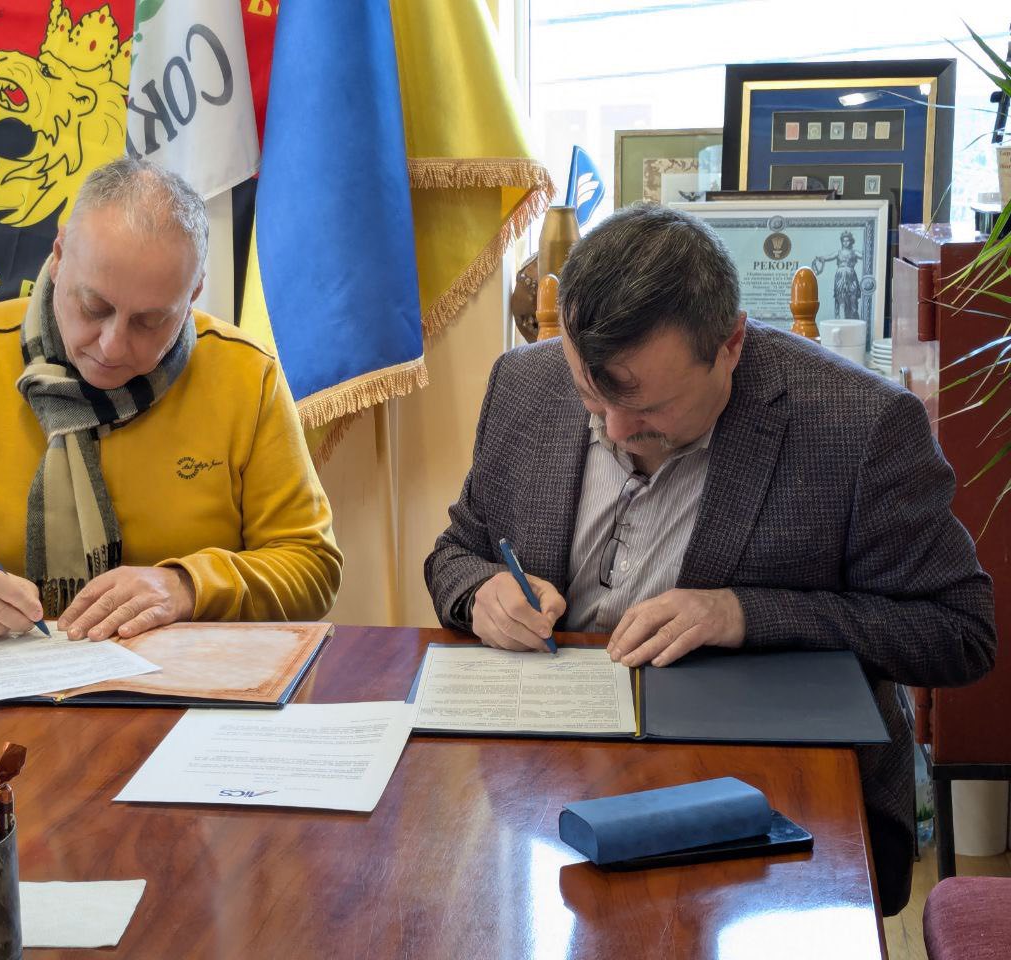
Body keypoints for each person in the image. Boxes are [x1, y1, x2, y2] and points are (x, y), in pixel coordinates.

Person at [423, 203, 995, 916]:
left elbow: (959, 634)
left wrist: (745, 615)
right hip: (546, 783)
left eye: (649, 407)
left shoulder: (859, 426)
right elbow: (456, 553)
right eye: (592, 396)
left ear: (730, 344)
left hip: (768, 805)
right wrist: (479, 592)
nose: (616, 430)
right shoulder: (524, 385)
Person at [0, 157, 342, 642]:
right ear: (60, 255)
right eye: (94, 307)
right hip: (0, 688)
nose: (112, 346)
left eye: (150, 321)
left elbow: (311, 566)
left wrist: (187, 587)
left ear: (194, 293)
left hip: (184, 691)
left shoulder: (245, 375)